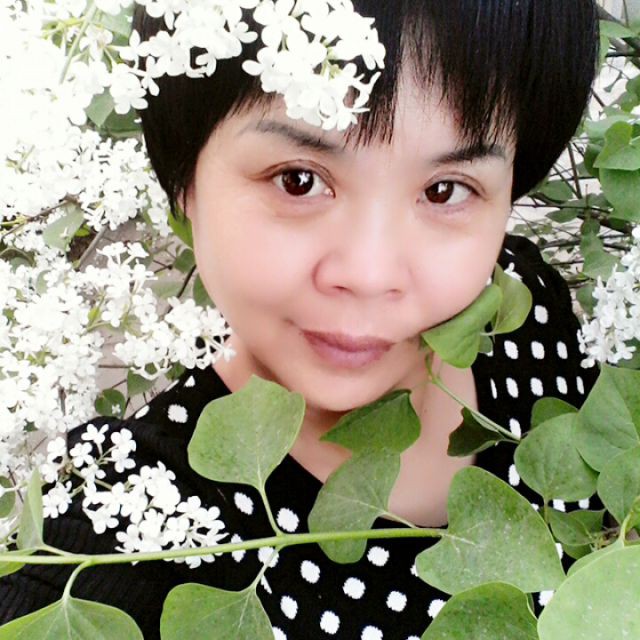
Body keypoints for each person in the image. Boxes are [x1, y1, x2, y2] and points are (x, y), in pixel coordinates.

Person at [0, 1, 600, 638]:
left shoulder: (520, 312)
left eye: (445, 190)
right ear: (184, 181)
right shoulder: (119, 523)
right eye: (297, 181)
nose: (369, 274)